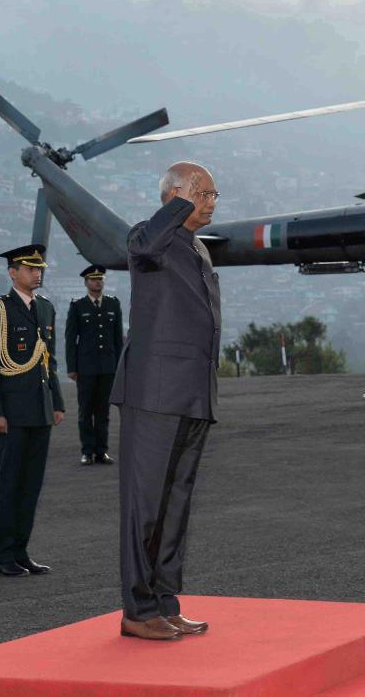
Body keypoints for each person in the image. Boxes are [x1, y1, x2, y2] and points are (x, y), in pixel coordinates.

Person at [110, 162, 221, 641]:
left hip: (192, 394)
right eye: (204, 193)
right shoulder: (149, 236)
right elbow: (141, 247)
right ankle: (137, 610)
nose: (211, 202)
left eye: (213, 194)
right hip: (154, 393)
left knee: (175, 507)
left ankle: (165, 603)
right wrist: (179, 203)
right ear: (176, 195)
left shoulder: (195, 246)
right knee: (146, 506)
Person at [0, 244, 64, 577]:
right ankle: (2, 556)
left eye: (39, 268)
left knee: (31, 486)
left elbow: (48, 360)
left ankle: (21, 552)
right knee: (9, 484)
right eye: (29, 268)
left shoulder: (45, 308)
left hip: (40, 411)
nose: (36, 273)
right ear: (13, 273)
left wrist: (57, 402)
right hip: (11, 414)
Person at [66, 265, 124, 465]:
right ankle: (87, 451)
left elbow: (117, 339)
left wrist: (119, 366)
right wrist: (72, 367)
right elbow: (70, 339)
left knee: (103, 412)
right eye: (93, 279)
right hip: (86, 367)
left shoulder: (113, 304)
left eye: (100, 279)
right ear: (86, 283)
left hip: (107, 367)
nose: (97, 282)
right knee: (85, 411)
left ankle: (102, 451)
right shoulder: (78, 306)